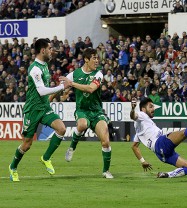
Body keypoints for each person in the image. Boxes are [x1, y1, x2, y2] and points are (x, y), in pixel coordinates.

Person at [8, 38, 71, 182]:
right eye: (49, 48)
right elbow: (42, 91)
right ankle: (13, 167)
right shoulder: (35, 68)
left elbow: (46, 92)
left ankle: (46, 157)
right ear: (42, 50)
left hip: (44, 107)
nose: (51, 50)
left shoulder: (45, 66)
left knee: (61, 129)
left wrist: (58, 94)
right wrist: (63, 87)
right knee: (27, 144)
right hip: (33, 110)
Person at [130, 97, 187, 178]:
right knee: (184, 133)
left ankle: (167, 175)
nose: (153, 109)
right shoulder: (142, 115)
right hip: (160, 143)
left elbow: (134, 146)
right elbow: (133, 116)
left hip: (161, 155)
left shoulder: (140, 127)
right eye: (150, 107)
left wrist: (142, 161)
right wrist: (133, 108)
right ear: (143, 109)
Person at [64, 48, 113, 179]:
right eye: (94, 58)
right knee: (82, 125)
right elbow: (62, 86)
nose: (97, 60)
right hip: (82, 110)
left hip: (96, 112)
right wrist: (52, 99)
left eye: (97, 58)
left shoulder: (99, 74)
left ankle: (106, 171)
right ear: (86, 59)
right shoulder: (74, 74)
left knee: (106, 142)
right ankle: (72, 148)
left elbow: (91, 89)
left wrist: (72, 85)